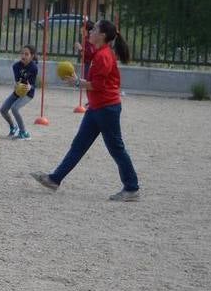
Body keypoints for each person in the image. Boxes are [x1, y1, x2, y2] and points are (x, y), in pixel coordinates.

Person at [32, 20, 140, 202]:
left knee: (116, 148)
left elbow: (97, 86)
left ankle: (132, 188)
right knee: (79, 145)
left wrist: (76, 82)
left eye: (95, 29)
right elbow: (96, 85)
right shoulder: (100, 54)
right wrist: (78, 82)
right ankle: (54, 179)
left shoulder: (103, 56)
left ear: (103, 35)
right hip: (98, 108)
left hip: (107, 109)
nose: (90, 31)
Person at [0, 45, 39, 140]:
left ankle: (24, 132)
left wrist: (30, 87)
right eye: (22, 53)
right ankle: (13, 127)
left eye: (26, 54)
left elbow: (33, 85)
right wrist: (17, 85)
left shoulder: (34, 68)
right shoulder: (16, 66)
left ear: (32, 56)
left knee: (14, 108)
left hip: (28, 93)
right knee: (3, 110)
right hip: (18, 91)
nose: (23, 56)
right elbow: (18, 80)